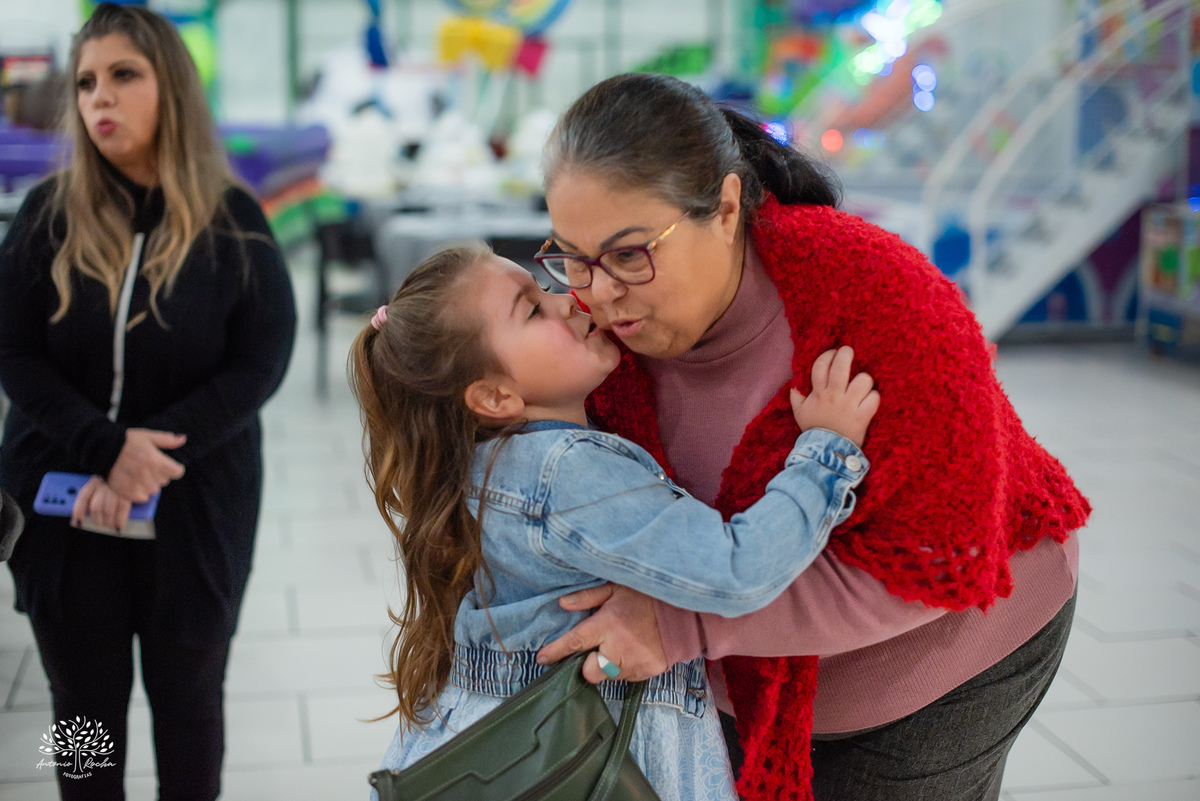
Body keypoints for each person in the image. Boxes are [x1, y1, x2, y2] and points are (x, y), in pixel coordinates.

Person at [531, 73, 1091, 801]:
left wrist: (682, 624)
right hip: (750, 657)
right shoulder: (598, 345)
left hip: (954, 639)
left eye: (630, 253)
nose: (598, 292)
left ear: (726, 208)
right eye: (572, 257)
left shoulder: (876, 300)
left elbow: (938, 554)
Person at [349, 244, 880, 801]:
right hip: (600, 758)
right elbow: (735, 570)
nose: (567, 301)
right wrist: (827, 449)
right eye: (532, 310)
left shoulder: (487, 468)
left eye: (544, 287)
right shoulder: (565, 471)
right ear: (495, 396)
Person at [0, 5, 296, 799]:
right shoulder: (46, 215)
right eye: (87, 81)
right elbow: (13, 351)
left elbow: (262, 360)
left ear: (172, 87)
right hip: (65, 502)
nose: (101, 97)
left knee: (189, 697)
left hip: (196, 499)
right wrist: (103, 448)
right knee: (81, 709)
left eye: (124, 75)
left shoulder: (234, 223)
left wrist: (150, 456)